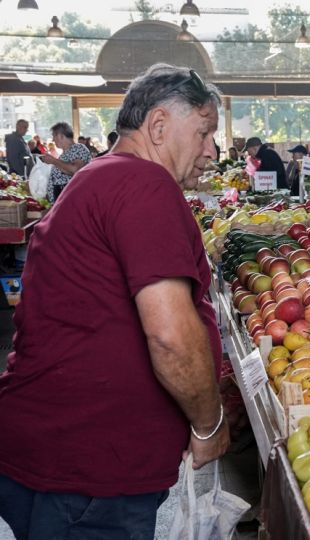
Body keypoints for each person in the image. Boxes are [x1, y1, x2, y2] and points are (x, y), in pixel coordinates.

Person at [0, 63, 228, 538]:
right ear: (159, 126)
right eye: (205, 132)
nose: (212, 151)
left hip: (70, 461)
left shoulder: (104, 176)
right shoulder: (143, 185)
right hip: (88, 474)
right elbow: (169, 335)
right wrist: (209, 424)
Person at [40, 122, 92, 203]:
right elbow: (67, 171)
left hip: (71, 199)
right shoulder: (65, 153)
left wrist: (53, 161)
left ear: (61, 136)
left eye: (54, 136)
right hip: (63, 199)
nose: (53, 140)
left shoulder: (78, 148)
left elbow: (76, 170)